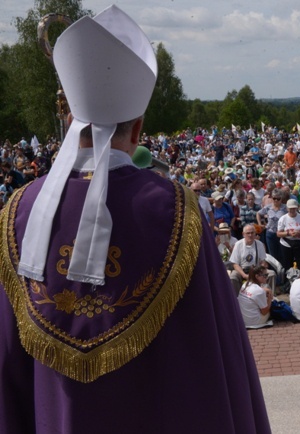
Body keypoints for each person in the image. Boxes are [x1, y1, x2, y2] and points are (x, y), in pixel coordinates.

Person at [0, 7, 270, 433]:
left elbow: (6, 358)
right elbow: (214, 348)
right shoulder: (176, 208)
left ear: (68, 119)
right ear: (139, 128)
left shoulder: (18, 211)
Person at [228, 224, 275, 295]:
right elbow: (235, 264)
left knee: (271, 274)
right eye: (248, 233)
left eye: (252, 233)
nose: (250, 235)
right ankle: (236, 300)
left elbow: (263, 261)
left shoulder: (260, 244)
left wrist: (261, 271)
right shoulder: (238, 244)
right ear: (243, 234)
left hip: (256, 270)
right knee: (233, 277)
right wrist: (244, 275)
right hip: (242, 270)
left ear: (255, 234)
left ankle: (269, 297)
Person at [277, 199, 300, 271]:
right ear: (287, 208)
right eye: (290, 208)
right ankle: (287, 280)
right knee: (287, 265)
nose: (292, 210)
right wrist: (288, 233)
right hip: (286, 244)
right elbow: (279, 233)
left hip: (299, 243)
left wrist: (299, 233)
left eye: (294, 208)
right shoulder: (283, 218)